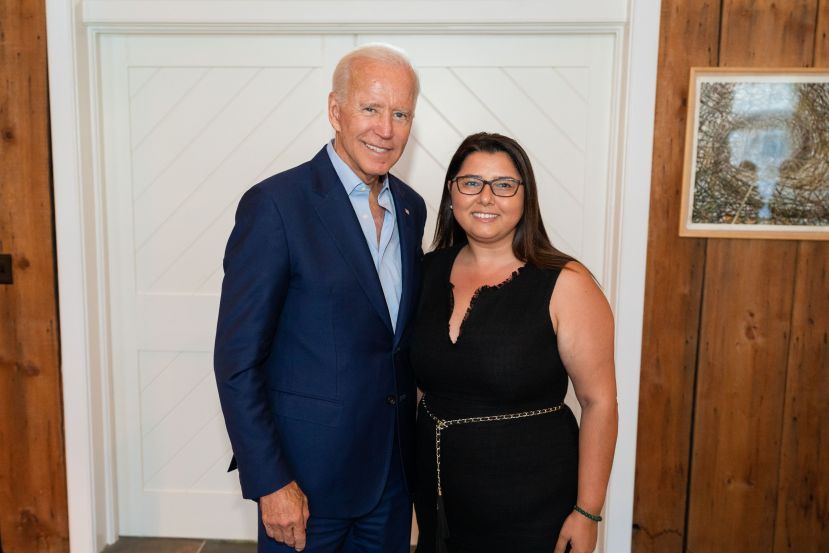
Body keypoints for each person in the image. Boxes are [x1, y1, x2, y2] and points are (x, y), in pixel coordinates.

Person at [213, 43, 427, 553]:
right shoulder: (276, 206)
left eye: (400, 113)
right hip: (305, 486)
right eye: (371, 108)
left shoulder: (412, 209)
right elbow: (237, 362)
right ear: (336, 110)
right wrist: (270, 482)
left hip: (392, 480)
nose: (386, 128)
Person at [411, 132, 618, 553]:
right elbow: (415, 388)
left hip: (533, 507)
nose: (486, 198)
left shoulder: (566, 283)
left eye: (504, 185)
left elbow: (600, 402)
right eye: (471, 183)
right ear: (451, 193)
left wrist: (588, 511)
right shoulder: (422, 273)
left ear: (526, 197)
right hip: (439, 500)